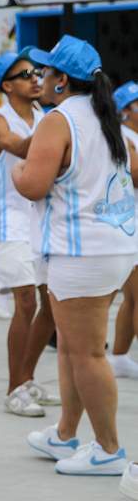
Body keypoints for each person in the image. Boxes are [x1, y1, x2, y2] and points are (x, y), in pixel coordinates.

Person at [15, 35, 133, 476]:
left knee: (87, 354)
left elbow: (33, 185)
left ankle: (108, 449)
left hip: (80, 252)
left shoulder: (59, 120)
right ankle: (65, 434)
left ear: (62, 80)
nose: (39, 79)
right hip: (111, 246)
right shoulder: (107, 119)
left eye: (45, 72)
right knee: (71, 346)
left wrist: (18, 169)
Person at [0, 50, 60, 416]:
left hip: (43, 221)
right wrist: (63, 127)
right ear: (7, 85)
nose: (35, 79)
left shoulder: (46, 117)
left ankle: (26, 380)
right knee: (26, 303)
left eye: (36, 73)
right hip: (10, 223)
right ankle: (14, 389)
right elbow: (20, 147)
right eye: (25, 74)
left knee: (51, 305)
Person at [111, 80, 138, 379]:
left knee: (132, 299)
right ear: (126, 110)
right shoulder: (122, 135)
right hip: (131, 226)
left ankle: (118, 357)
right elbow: (135, 174)